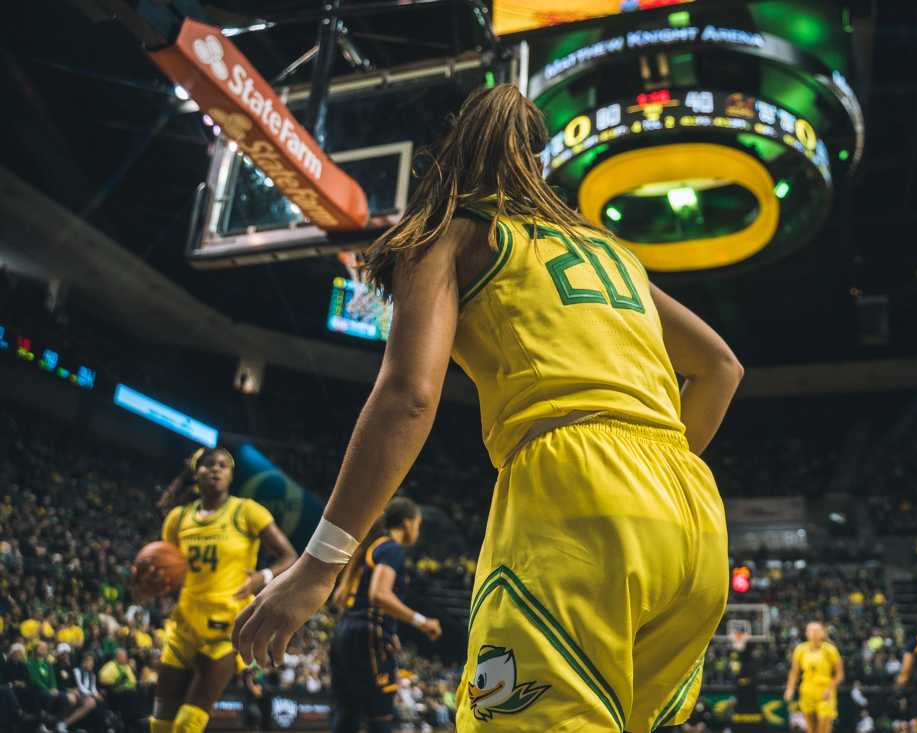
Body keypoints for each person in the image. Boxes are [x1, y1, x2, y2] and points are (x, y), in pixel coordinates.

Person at [233, 83, 742, 733]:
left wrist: (318, 564)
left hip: (580, 489)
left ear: (449, 155)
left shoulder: (452, 232)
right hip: (691, 513)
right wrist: (650, 476)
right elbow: (721, 367)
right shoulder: (615, 254)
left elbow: (410, 395)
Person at [131, 447, 297, 733]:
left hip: (225, 629)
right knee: (160, 724)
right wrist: (149, 586)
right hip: (183, 626)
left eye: (223, 465)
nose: (216, 469)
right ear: (197, 473)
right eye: (209, 465)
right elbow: (167, 572)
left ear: (231, 475)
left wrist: (262, 577)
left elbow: (289, 557)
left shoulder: (246, 511)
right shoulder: (178, 519)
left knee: (187, 725)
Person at [329, 498, 441, 733]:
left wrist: (387, 629)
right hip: (366, 633)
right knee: (379, 716)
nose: (417, 531)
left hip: (345, 631)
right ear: (408, 524)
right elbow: (379, 595)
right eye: (418, 525)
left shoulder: (372, 546)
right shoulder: (392, 548)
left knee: (348, 713)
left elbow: (345, 598)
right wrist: (422, 622)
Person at [784, 622, 844, 733]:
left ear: (822, 633)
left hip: (825, 691)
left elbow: (839, 674)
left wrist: (830, 688)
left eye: (817, 631)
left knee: (823, 727)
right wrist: (790, 688)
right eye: (811, 631)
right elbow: (794, 672)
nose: (814, 634)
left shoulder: (830, 650)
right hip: (807, 691)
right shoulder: (800, 650)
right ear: (806, 633)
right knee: (811, 728)